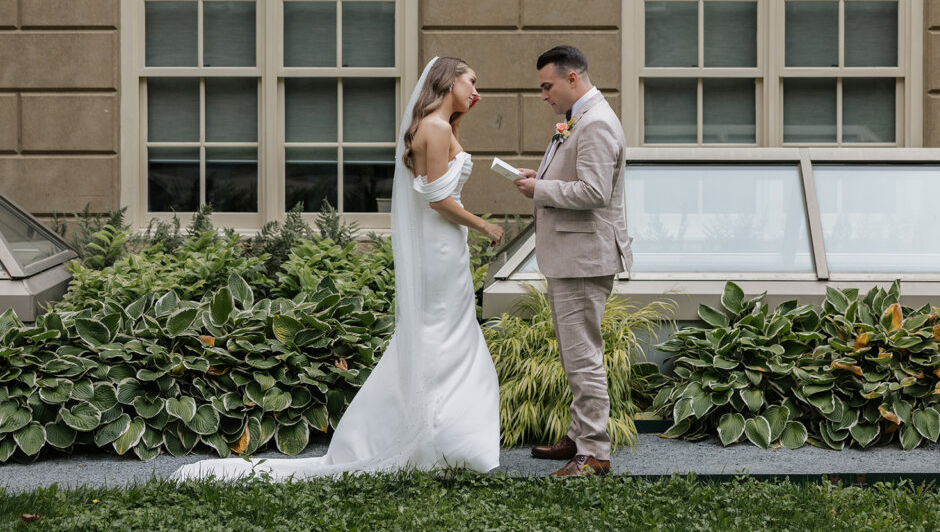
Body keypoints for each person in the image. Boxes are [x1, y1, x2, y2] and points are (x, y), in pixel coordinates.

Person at [174, 57, 502, 481]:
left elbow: (434, 185)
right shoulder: (435, 129)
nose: (477, 91)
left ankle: (441, 436)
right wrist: (484, 225)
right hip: (440, 245)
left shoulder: (437, 127)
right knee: (442, 335)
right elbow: (438, 199)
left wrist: (458, 126)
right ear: (448, 81)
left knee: (438, 334)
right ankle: (439, 439)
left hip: (442, 245)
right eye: (471, 81)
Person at [514, 45, 632, 478]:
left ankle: (595, 453)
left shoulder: (596, 123)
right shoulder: (582, 117)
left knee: (583, 357)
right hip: (573, 256)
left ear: (572, 79)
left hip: (584, 258)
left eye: (547, 86)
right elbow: (576, 178)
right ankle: (580, 436)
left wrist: (539, 192)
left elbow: (593, 192)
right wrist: (539, 177)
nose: (544, 95)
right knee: (574, 354)